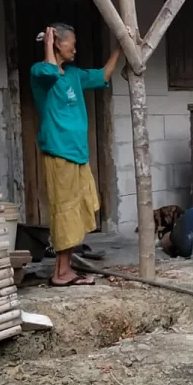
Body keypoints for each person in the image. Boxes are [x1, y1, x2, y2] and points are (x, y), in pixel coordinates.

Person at [30, 23, 124, 287]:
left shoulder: (73, 74)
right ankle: (60, 273)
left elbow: (103, 76)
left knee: (78, 210)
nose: (75, 48)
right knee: (64, 212)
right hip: (59, 153)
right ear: (58, 43)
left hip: (78, 155)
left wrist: (119, 46)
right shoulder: (39, 72)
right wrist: (48, 44)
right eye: (71, 43)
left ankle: (65, 269)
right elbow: (49, 71)